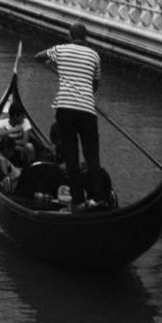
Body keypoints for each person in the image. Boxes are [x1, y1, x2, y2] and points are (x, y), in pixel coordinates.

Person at [34, 21, 106, 208]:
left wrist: (52, 64)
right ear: (85, 38)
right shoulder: (94, 55)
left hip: (65, 109)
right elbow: (95, 85)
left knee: (71, 156)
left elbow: (37, 57)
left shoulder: (61, 49)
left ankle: (78, 201)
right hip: (87, 110)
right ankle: (98, 199)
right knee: (92, 156)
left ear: (70, 36)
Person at [0, 99, 35, 164]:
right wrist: (12, 130)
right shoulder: (1, 123)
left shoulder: (25, 122)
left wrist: (11, 143)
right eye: (22, 116)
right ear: (15, 116)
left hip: (19, 149)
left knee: (30, 146)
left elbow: (25, 141)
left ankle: (29, 166)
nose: (23, 117)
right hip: (7, 149)